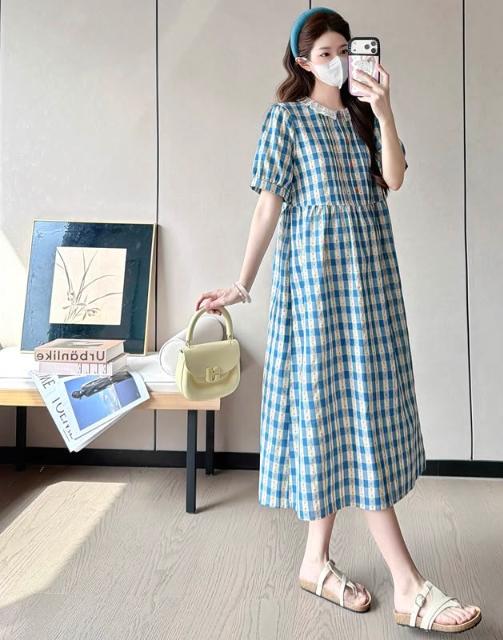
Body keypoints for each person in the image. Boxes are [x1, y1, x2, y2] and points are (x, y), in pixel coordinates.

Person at [195, 7, 481, 634]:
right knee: (347, 417)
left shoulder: (361, 117)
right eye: (326, 52)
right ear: (303, 61)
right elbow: (268, 206)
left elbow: (394, 180)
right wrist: (242, 284)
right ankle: (408, 586)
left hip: (371, 291)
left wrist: (384, 110)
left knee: (343, 418)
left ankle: (314, 562)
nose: (338, 59)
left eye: (345, 49)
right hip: (318, 292)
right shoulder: (287, 120)